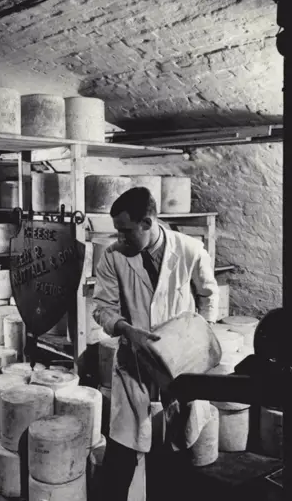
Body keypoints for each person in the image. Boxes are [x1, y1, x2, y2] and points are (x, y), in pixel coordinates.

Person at [92, 186, 219, 501]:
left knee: (173, 451)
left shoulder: (190, 250)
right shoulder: (113, 257)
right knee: (121, 452)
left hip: (180, 365)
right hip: (135, 363)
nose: (120, 238)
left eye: (126, 231)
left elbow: (208, 294)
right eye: (117, 231)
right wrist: (127, 329)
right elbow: (102, 308)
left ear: (147, 223)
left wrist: (198, 340)